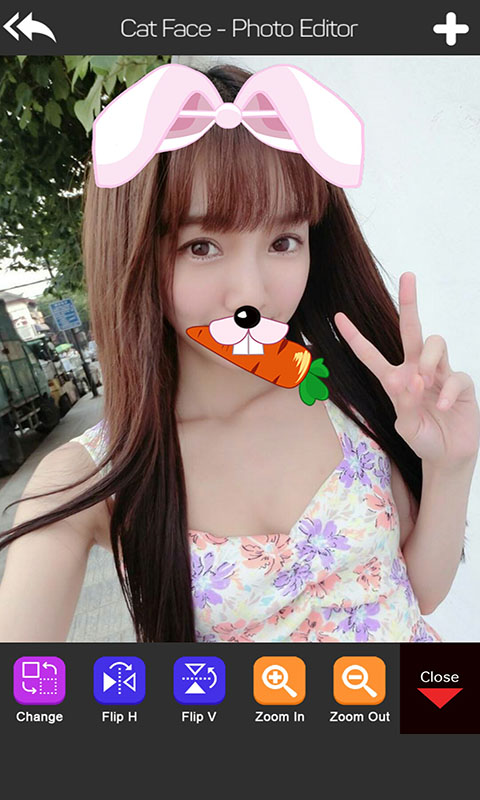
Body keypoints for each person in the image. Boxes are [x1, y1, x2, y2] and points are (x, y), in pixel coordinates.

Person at [0, 63, 478, 644]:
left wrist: (451, 465)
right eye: (201, 246)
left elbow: (413, 594)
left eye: (283, 241)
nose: (251, 293)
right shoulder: (98, 472)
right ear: (136, 253)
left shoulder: (348, 393)